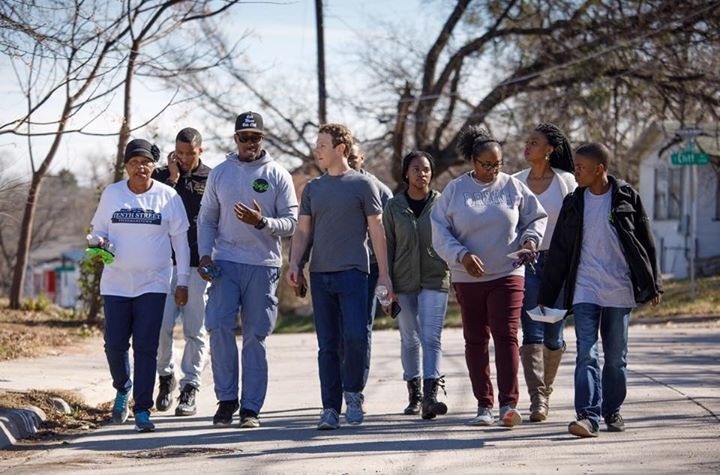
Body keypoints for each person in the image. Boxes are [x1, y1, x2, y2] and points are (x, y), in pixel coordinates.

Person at [539, 142, 662, 438]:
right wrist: (548, 294)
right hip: (585, 288)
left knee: (616, 356)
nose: (576, 172)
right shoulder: (574, 202)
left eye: (581, 167)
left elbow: (645, 241)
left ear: (600, 170)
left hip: (619, 289)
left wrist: (653, 284)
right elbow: (559, 250)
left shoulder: (625, 197)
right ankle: (588, 416)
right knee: (586, 353)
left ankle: (612, 410)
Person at [430, 125, 547, 428]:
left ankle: (509, 405)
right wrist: (462, 256)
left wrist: (531, 240)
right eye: (487, 164)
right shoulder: (455, 191)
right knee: (476, 339)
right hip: (468, 277)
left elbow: (536, 217)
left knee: (507, 335)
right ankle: (484, 405)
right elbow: (439, 231)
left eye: (498, 164)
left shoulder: (513, 187)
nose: (493, 170)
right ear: (473, 162)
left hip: (508, 273)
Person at [286, 123, 393, 430]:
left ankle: (354, 394)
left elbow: (377, 231)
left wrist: (384, 275)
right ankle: (330, 408)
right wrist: (295, 263)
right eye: (317, 145)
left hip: (355, 273)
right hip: (321, 274)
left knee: (357, 336)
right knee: (328, 344)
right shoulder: (314, 189)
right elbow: (303, 229)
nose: (316, 150)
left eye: (322, 145)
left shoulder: (363, 185)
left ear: (340, 149)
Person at [197, 111, 298, 429]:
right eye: (244, 137)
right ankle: (227, 400)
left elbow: (292, 222)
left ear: (263, 139)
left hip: (262, 265)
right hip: (225, 263)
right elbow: (207, 218)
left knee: (255, 335)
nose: (249, 143)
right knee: (218, 326)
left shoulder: (277, 174)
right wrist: (203, 255)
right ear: (235, 139)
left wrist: (262, 222)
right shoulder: (220, 173)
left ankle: (251, 408)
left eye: (255, 137)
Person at [89, 138, 190, 433]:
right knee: (115, 345)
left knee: (146, 346)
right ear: (126, 167)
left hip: (154, 282)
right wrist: (98, 243)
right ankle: (123, 388)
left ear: (153, 166)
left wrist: (182, 281)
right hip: (116, 282)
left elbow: (181, 244)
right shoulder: (112, 194)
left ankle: (143, 409)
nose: (140, 168)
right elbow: (98, 230)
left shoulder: (168, 197)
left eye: (145, 163)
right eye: (134, 163)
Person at [512, 123, 577, 422]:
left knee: (554, 333)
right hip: (528, 263)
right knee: (532, 330)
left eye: (534, 142)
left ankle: (545, 389)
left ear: (549, 149)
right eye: (527, 141)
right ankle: (538, 399)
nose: (527, 146)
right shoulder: (515, 181)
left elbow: (578, 226)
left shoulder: (567, 182)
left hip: (559, 265)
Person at [383, 151, 450, 419]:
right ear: (406, 174)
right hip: (403, 281)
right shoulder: (394, 206)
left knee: (431, 337)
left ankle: (431, 398)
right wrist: (386, 284)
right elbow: (387, 245)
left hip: (435, 277)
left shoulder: (442, 203)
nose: (421, 174)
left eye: (425, 169)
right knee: (409, 339)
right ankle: (415, 395)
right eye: (415, 169)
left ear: (431, 173)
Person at [151, 127, 211, 417]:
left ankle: (190, 386)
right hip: (165, 265)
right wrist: (173, 180)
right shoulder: (161, 177)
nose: (185, 158)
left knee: (194, 330)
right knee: (161, 327)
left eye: (190, 153)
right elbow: (159, 214)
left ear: (201, 150)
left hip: (197, 265)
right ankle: (166, 378)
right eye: (180, 153)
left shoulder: (212, 178)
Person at [347, 143, 393, 387]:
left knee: (361, 328)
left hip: (370, 267)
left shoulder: (378, 189)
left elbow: (391, 231)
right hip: (339, 265)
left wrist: (388, 273)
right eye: (346, 157)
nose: (350, 161)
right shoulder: (328, 185)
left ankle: (357, 387)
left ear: (362, 158)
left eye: (354, 158)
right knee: (340, 329)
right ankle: (342, 383)